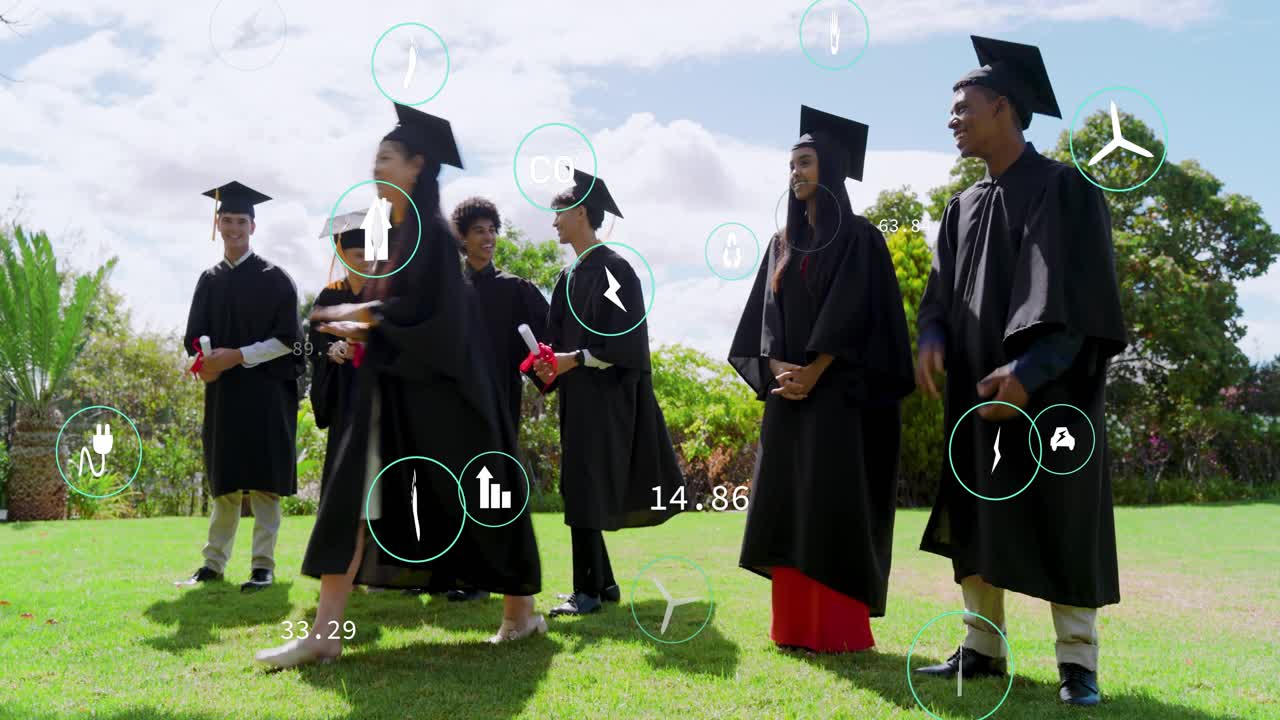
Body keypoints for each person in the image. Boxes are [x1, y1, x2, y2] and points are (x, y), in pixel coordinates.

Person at [254, 103, 543, 669]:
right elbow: (391, 310)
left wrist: (369, 320)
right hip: (387, 398)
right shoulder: (395, 233)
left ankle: (519, 614)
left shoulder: (432, 237)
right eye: (375, 155)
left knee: (484, 503)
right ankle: (325, 635)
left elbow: (437, 323)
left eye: (387, 157)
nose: (376, 165)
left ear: (417, 165)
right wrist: (359, 321)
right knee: (355, 502)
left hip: (447, 403)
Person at [912, 36, 1127, 707]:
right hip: (979, 391)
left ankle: (1077, 665)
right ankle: (981, 649)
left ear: (1004, 106)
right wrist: (930, 335)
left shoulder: (1066, 188)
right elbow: (941, 297)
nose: (951, 119)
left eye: (962, 107)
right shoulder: (962, 206)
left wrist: (1029, 376)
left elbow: (1085, 307)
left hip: (1051, 393)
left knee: (1062, 519)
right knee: (977, 512)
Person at [728, 106, 914, 653]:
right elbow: (763, 319)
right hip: (789, 401)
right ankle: (792, 629)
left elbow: (861, 314)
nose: (796, 173)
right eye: (791, 164)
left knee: (833, 505)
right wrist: (776, 368)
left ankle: (836, 630)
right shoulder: (780, 244)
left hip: (841, 401)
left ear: (828, 167)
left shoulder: (862, 239)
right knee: (789, 504)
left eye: (805, 162)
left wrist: (817, 368)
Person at [532, 170, 686, 617]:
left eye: (559, 213)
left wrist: (573, 360)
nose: (554, 222)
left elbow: (623, 345)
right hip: (577, 397)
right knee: (581, 485)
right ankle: (605, 583)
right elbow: (556, 342)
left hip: (609, 399)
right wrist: (545, 363)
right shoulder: (567, 277)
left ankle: (587, 593)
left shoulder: (616, 270)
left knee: (586, 484)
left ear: (581, 212)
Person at [179, 181, 304, 593]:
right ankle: (213, 565)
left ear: (253, 225)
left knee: (266, 484)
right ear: (218, 224)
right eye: (227, 220)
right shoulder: (208, 280)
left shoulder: (275, 279)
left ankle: (263, 567)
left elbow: (289, 340)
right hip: (226, 395)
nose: (234, 228)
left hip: (267, 394)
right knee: (227, 482)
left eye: (241, 221)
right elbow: (195, 338)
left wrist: (238, 355)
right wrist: (204, 363)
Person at [444, 196, 550, 602]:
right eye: (479, 231)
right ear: (462, 238)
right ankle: (463, 573)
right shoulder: (449, 290)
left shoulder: (515, 290)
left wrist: (538, 365)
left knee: (491, 487)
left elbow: (543, 341)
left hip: (498, 401)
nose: (488, 238)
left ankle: (489, 577)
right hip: (456, 403)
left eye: (492, 230)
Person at [308, 211, 371, 494]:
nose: (366, 262)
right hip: (345, 396)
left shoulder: (386, 295)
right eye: (358, 255)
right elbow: (313, 347)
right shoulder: (329, 298)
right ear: (343, 256)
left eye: (371, 254)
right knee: (344, 483)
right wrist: (333, 351)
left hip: (381, 395)